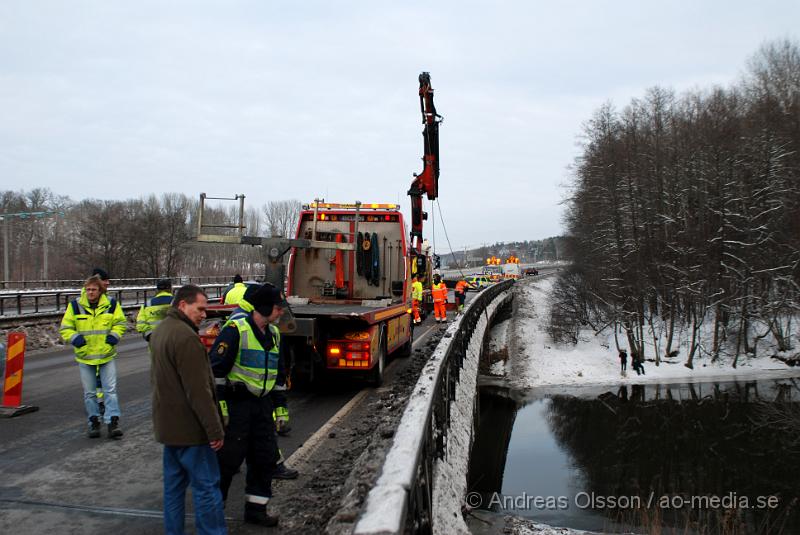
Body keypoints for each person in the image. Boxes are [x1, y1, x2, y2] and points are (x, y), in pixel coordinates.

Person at [210, 284, 290, 527]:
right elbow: (216, 373)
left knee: (264, 459)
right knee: (228, 461)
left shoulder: (274, 334)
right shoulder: (236, 330)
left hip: (262, 406)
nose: (280, 313)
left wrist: (281, 409)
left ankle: (256, 510)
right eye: (277, 308)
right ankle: (214, 512)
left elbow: (278, 375)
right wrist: (221, 407)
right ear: (265, 308)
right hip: (238, 406)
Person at [150, 284, 227, 535]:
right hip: (191, 431)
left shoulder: (161, 331)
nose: (204, 315)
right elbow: (199, 391)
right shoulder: (186, 338)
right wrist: (214, 430)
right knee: (206, 488)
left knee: (173, 490)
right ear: (183, 305)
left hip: (169, 428)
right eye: (200, 309)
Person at [59, 275, 127, 438]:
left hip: (106, 354)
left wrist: (114, 337)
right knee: (90, 393)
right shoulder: (75, 306)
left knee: (110, 391)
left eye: (93, 289)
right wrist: (75, 339)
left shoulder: (111, 304)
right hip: (86, 356)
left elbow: (120, 323)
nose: (90, 292)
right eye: (88, 289)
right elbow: (66, 328)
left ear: (100, 290)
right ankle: (94, 422)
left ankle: (112, 422)